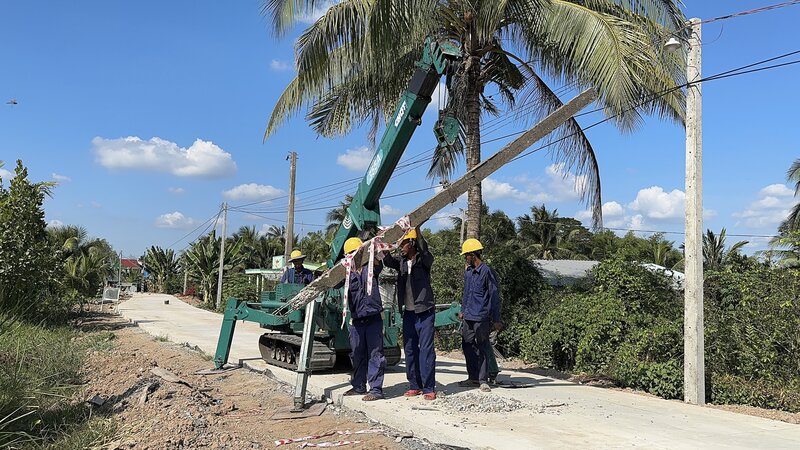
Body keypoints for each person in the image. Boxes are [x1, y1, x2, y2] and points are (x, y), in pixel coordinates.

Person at [382, 226, 437, 400]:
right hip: (409, 314)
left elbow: (425, 250)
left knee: (426, 350)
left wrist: (419, 230)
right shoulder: (400, 262)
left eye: (404, 243)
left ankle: (428, 387)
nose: (401, 246)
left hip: (425, 312)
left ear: (412, 243)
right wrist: (383, 243)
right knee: (410, 349)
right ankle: (415, 385)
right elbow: (388, 260)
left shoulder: (424, 260)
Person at [341, 237, 386, 401]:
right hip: (357, 321)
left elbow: (380, 260)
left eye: (356, 253)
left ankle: (375, 390)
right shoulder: (346, 273)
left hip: (374, 318)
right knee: (357, 354)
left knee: (375, 354)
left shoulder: (372, 265)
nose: (354, 256)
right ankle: (358, 386)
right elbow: (334, 282)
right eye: (351, 254)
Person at [458, 238, 501, 393]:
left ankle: (483, 380)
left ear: (473, 255)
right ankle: (473, 377)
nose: (465, 258)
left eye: (466, 256)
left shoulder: (486, 271)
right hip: (468, 316)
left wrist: (496, 319)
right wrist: (463, 310)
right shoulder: (469, 272)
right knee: (467, 345)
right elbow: (466, 293)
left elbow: (494, 296)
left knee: (482, 347)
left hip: (481, 316)